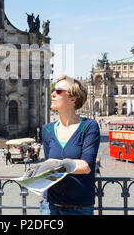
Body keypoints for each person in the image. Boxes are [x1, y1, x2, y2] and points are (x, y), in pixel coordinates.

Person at [40, 75, 100, 216]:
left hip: (78, 208)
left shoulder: (89, 127)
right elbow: (48, 165)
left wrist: (54, 165)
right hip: (49, 205)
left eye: (59, 91)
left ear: (73, 99)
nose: (53, 94)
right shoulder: (47, 129)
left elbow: (85, 166)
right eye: (53, 90)